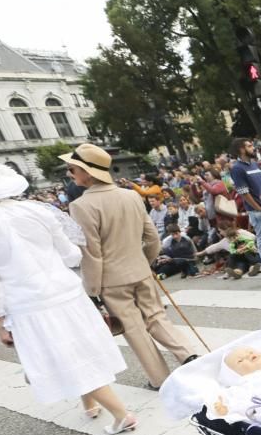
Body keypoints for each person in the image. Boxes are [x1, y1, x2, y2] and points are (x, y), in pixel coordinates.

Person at [0, 156, 136, 434]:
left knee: (66, 358)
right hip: (66, 291)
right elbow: (71, 254)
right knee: (78, 347)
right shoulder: (36, 210)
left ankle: (121, 414)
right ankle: (89, 403)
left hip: (28, 303)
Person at [62, 144, 198, 391]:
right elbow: (152, 238)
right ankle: (188, 354)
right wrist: (143, 261)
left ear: (87, 172)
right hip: (140, 269)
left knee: (135, 329)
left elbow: (91, 252)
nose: (70, 173)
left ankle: (161, 380)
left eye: (73, 168)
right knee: (156, 316)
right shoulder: (131, 195)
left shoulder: (81, 206)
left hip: (111, 279)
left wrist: (91, 289)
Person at [230, 138, 261, 277]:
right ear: (241, 150)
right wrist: (258, 208)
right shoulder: (237, 168)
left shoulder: (254, 164)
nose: (253, 148)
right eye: (249, 146)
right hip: (256, 210)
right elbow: (244, 192)